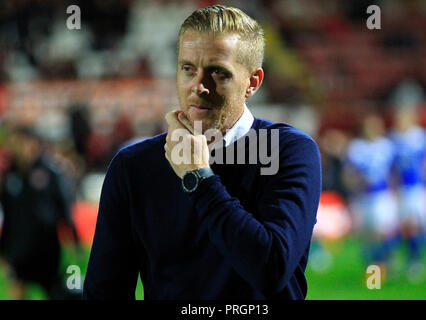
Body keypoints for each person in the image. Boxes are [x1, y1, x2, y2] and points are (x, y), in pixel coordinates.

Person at [83, 5, 322, 300]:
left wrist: (198, 176)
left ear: (253, 82)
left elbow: (271, 269)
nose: (199, 86)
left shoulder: (289, 151)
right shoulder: (133, 166)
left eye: (218, 73)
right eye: (188, 69)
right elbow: (104, 292)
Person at [0, 126, 81, 299]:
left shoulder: (49, 172)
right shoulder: (12, 175)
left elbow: (64, 206)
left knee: (53, 290)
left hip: (46, 247)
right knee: (18, 289)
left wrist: (74, 239)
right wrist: (4, 250)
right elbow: (9, 215)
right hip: (19, 248)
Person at [390, 106, 426, 281]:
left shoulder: (420, 136)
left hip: (420, 188)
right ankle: (415, 261)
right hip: (403, 191)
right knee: (409, 228)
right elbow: (392, 169)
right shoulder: (394, 139)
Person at [344, 113, 400, 277]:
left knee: (383, 231)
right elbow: (349, 173)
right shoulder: (356, 147)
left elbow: (393, 172)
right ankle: (372, 269)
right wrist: (353, 186)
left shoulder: (387, 146)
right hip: (363, 197)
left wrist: (395, 193)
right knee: (367, 235)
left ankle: (385, 262)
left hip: (382, 195)